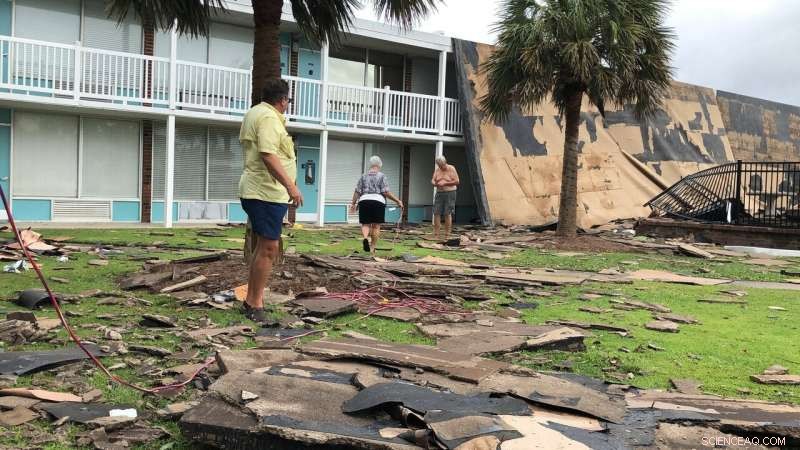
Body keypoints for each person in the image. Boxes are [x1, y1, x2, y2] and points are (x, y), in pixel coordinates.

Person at [238, 79, 303, 323]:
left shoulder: (258, 113)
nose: (287, 105)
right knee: (268, 248)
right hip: (265, 192)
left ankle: (253, 300)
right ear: (283, 100)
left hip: (263, 192)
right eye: (288, 101)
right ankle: (254, 303)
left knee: (263, 246)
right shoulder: (267, 118)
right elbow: (267, 153)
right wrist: (291, 185)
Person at [350, 156, 403, 254]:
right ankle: (372, 247)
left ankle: (365, 238)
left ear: (371, 165)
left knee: (365, 224)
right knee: (376, 226)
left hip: (364, 200)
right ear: (379, 165)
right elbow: (386, 192)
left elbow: (357, 191)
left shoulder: (363, 176)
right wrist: (397, 201)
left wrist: (353, 203)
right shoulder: (382, 176)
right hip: (378, 201)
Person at [431, 155, 460, 240]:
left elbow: (457, 181)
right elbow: (433, 179)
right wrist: (434, 183)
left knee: (447, 213)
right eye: (439, 166)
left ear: (445, 162)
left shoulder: (451, 168)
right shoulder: (437, 170)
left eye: (442, 165)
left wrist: (445, 183)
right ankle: (436, 234)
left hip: (450, 192)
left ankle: (447, 234)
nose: (441, 167)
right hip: (439, 192)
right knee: (436, 212)